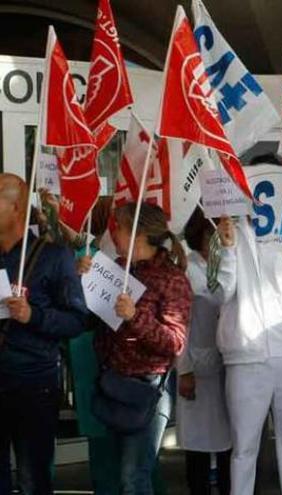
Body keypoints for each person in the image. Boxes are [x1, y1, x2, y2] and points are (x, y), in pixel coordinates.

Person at [214, 209, 282, 495]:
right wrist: (227, 250)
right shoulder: (229, 232)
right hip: (245, 356)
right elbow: (219, 294)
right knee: (244, 447)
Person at [92, 202, 192, 494]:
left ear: (138, 233)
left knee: (134, 477)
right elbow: (92, 319)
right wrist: (84, 281)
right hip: (113, 383)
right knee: (114, 476)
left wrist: (136, 317)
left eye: (119, 228)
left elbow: (175, 343)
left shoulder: (172, 279)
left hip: (147, 390)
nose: (114, 235)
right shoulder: (119, 270)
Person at [0, 174, 88, 495]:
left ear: (15, 207)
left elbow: (77, 320)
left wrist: (32, 315)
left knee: (32, 478)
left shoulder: (53, 257)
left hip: (33, 385)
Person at [177, 210, 232, 495]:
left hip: (227, 367)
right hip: (197, 367)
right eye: (212, 234)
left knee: (228, 447)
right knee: (197, 447)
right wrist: (184, 368)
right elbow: (180, 322)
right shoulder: (188, 266)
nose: (217, 241)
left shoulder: (229, 262)